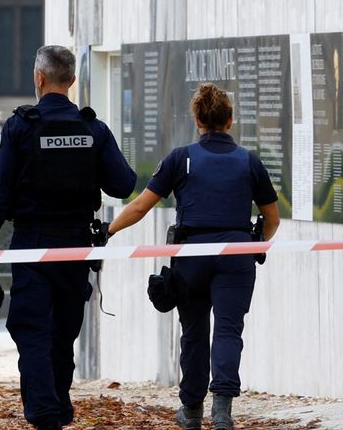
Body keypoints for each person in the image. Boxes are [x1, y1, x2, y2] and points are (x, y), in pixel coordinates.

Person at [0, 45, 137, 430]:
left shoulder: (21, 126)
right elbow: (123, 184)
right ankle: (57, 409)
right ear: (73, 80)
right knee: (63, 334)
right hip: (76, 246)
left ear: (39, 78)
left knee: (30, 329)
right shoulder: (92, 128)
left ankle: (47, 414)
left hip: (33, 243)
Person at [107, 83, 280, 430]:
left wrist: (107, 232)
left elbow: (141, 206)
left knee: (194, 333)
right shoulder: (249, 161)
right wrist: (255, 243)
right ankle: (223, 412)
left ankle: (191, 411)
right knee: (229, 330)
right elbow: (272, 219)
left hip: (191, 256)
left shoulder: (180, 158)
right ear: (230, 120)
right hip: (236, 253)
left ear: (197, 120)